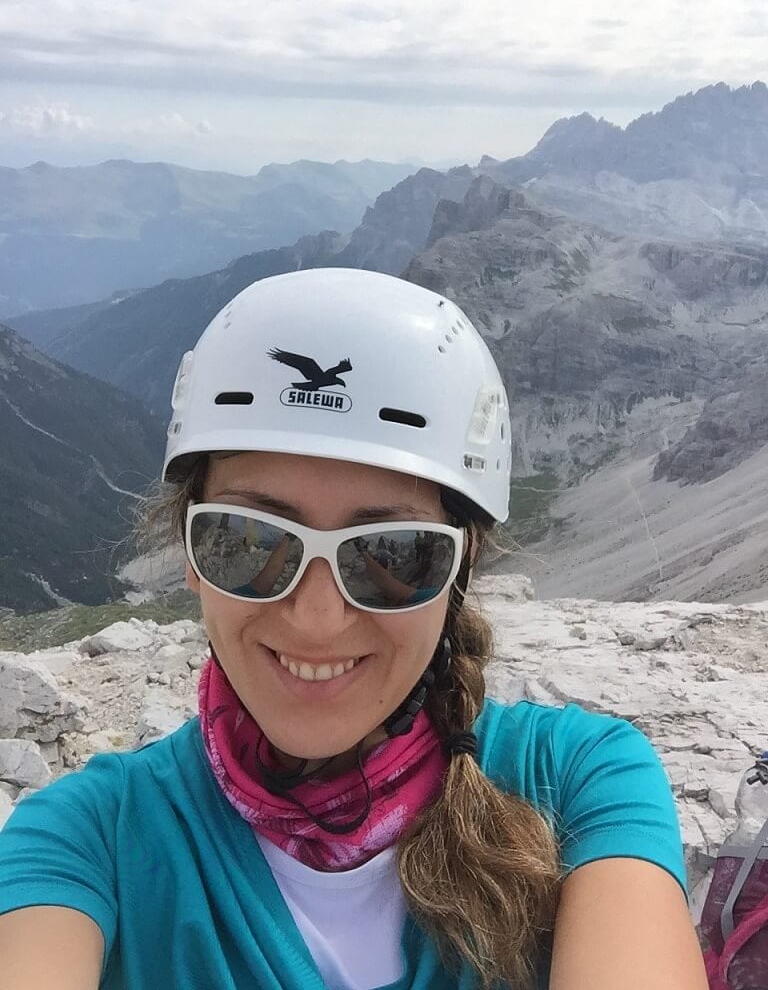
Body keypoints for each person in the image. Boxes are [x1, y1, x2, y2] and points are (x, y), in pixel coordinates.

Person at [0, 268, 707, 989]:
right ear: (188, 553)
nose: (317, 617)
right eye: (246, 541)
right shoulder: (84, 838)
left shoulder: (580, 781)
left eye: (390, 554)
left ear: (459, 571)